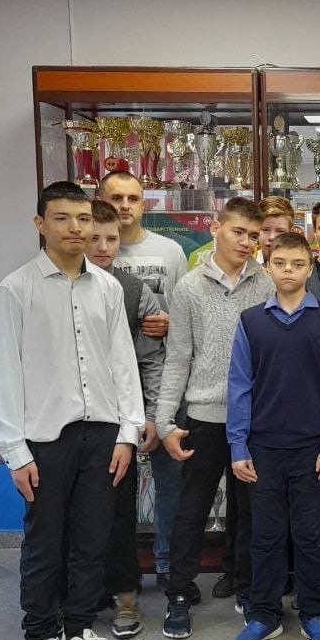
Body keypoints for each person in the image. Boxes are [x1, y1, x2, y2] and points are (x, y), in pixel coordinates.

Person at [0, 181, 142, 640]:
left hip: (103, 434)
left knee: (93, 539)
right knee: (45, 542)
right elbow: (6, 374)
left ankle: (77, 630)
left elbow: (123, 364)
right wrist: (15, 450)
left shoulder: (108, 288)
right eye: (62, 218)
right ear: (40, 224)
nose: (75, 228)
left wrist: (128, 433)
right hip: (44, 439)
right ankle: (40, 637)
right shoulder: (16, 289)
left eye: (82, 218)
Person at [228, 230, 320, 640]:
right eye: (280, 263)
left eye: (298, 264)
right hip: (262, 447)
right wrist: (238, 446)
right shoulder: (251, 321)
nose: (288, 271)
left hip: (313, 448)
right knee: (265, 535)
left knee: (311, 534)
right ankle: (264, 614)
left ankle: (315, 613)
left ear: (309, 267)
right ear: (268, 267)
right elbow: (240, 386)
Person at [156, 197, 273, 639]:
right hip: (203, 417)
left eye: (253, 235)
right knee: (191, 510)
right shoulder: (189, 287)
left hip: (254, 420)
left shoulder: (266, 284)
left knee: (250, 511)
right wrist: (165, 421)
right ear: (215, 229)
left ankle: (247, 587)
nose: (246, 242)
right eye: (238, 232)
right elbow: (177, 357)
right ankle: (179, 594)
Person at [98, 170, 188, 591]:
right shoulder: (86, 255)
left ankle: (167, 565)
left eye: (133, 198)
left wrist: (171, 323)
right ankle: (114, 580)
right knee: (112, 491)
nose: (124, 205)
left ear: (144, 204)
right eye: (115, 197)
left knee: (170, 486)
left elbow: (185, 314)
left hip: (162, 385)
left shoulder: (170, 251)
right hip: (104, 398)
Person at [86, 200, 165, 639]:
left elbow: (152, 361)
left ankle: (124, 595)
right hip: (66, 422)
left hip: (119, 422)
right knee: (74, 514)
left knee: (119, 512)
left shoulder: (135, 291)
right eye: (94, 238)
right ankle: (80, 596)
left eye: (111, 239)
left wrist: (149, 416)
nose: (103, 247)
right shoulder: (50, 288)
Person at [258, 195, 296, 265]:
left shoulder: (303, 266)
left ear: (291, 234)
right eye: (265, 230)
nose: (272, 237)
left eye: (280, 231)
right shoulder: (244, 265)